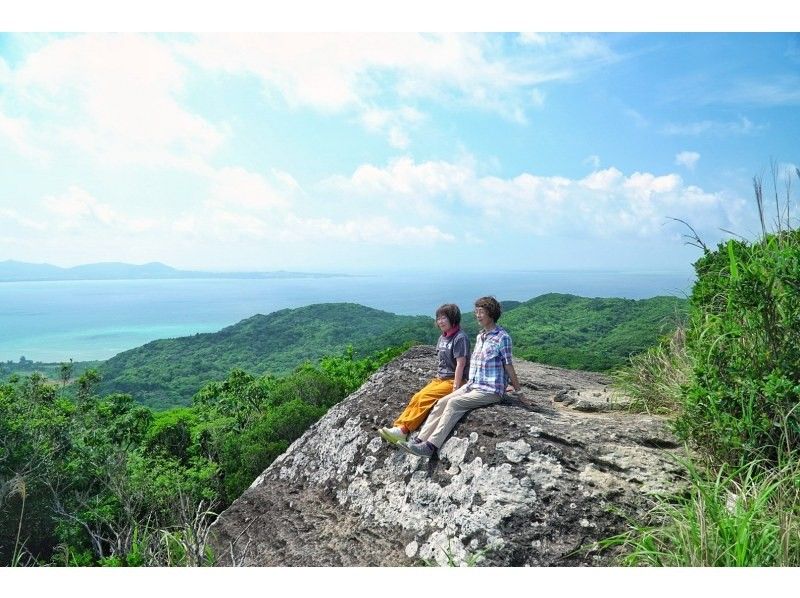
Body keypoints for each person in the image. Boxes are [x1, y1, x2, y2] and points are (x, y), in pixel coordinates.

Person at [400, 295, 522, 458]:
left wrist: (519, 392)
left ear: (491, 313)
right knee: (442, 402)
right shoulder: (481, 336)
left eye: (481, 312)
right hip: (473, 384)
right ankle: (419, 440)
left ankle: (431, 446)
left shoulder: (502, 337)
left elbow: (508, 365)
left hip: (490, 390)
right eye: (476, 311)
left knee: (454, 403)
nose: (478, 315)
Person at [378, 303, 470, 445]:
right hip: (441, 379)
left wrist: (456, 388)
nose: (440, 321)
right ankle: (399, 427)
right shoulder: (442, 338)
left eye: (444, 318)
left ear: (453, 318)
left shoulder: (459, 338)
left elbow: (461, 364)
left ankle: (403, 430)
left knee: (424, 398)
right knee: (417, 397)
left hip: (454, 380)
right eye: (438, 318)